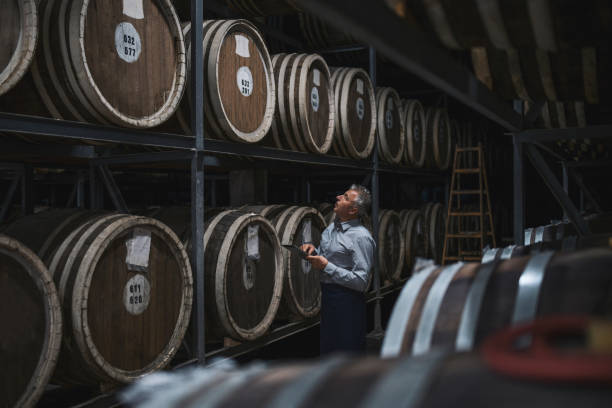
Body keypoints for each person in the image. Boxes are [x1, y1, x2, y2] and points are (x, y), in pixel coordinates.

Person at [301, 184, 376, 354]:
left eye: (345, 197)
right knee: (329, 351)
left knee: (348, 353)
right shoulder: (331, 228)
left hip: (348, 302)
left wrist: (326, 266)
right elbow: (329, 256)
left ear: (353, 210)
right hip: (328, 298)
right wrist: (314, 250)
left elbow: (361, 282)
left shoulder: (361, 237)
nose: (338, 197)